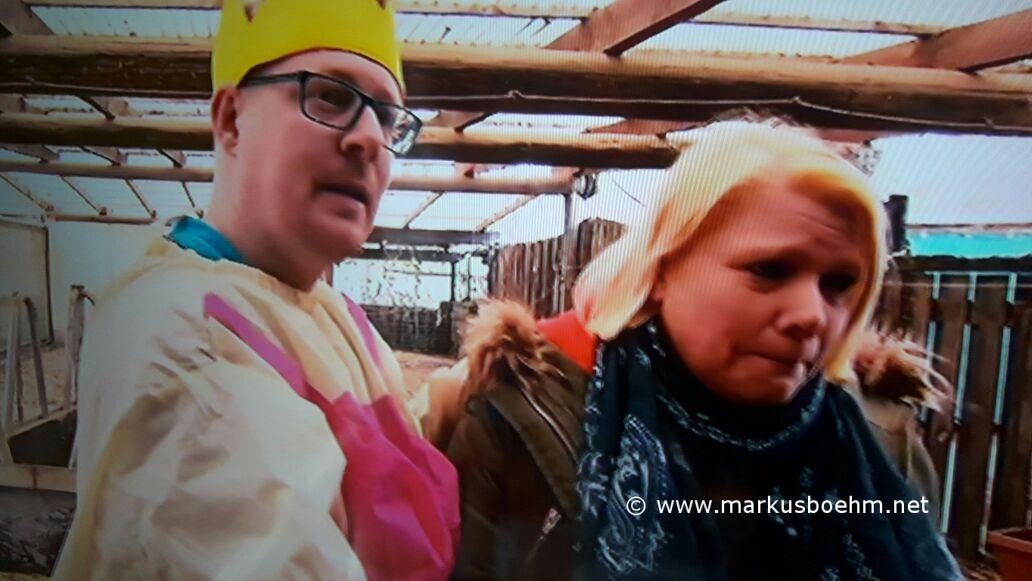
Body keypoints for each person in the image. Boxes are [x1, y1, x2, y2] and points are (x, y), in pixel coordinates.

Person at [437, 122, 959, 580]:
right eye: (769, 269)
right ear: (663, 269)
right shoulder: (523, 418)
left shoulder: (883, 446)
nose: (812, 316)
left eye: (839, 284)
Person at [54, 1, 458, 578]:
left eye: (389, 119)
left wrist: (468, 396)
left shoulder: (331, 310)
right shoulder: (186, 335)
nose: (370, 138)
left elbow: (379, 465)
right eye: (330, 96)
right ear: (231, 121)